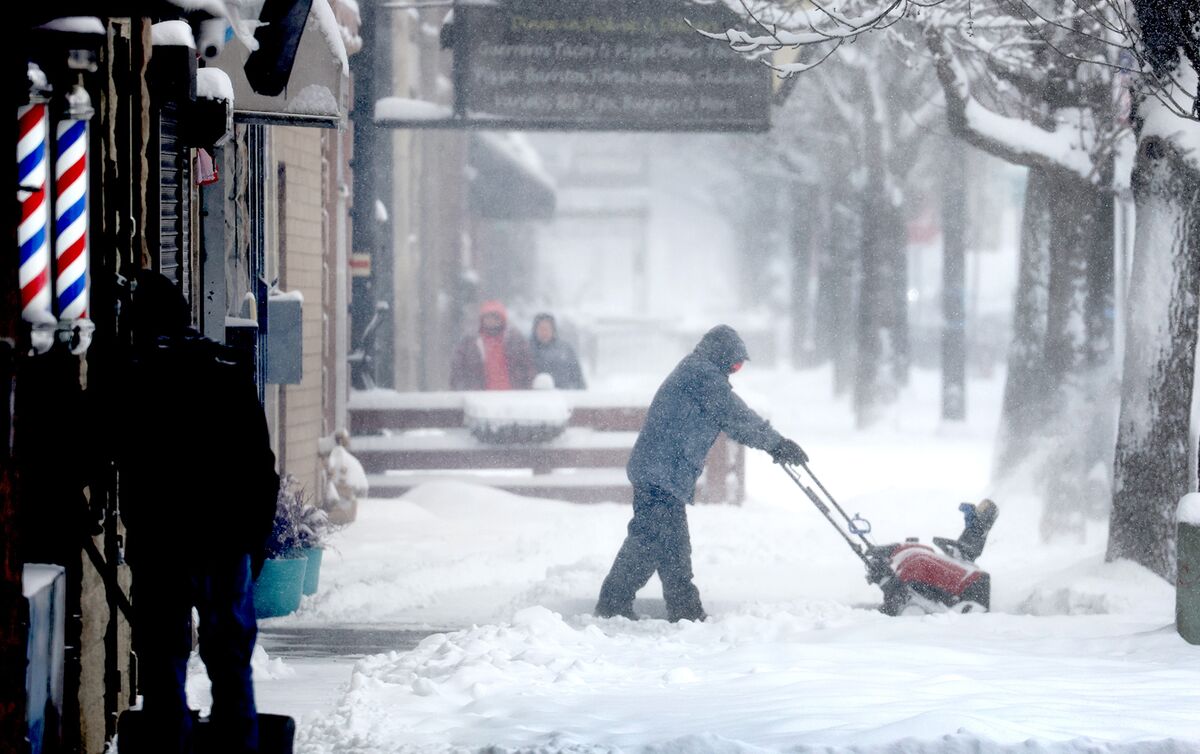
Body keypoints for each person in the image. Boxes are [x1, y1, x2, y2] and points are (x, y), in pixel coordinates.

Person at [118, 270, 279, 754]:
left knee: (163, 665)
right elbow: (260, 470)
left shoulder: (139, 375)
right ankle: (238, 746)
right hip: (223, 543)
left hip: (162, 544)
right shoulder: (227, 369)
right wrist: (253, 546)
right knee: (230, 665)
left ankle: (170, 743)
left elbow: (108, 445)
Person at [595, 325, 807, 623]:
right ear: (721, 356)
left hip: (661, 472)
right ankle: (619, 607)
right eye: (734, 364)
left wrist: (774, 445)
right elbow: (736, 416)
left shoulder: (697, 371)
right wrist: (777, 444)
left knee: (667, 547)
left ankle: (679, 612)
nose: (734, 371)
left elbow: (733, 421)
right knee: (650, 545)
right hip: (660, 473)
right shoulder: (701, 375)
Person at [449, 300, 535, 390]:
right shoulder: (469, 343)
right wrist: (462, 388)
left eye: (496, 318)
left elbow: (527, 367)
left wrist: (525, 389)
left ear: (503, 319)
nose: (492, 321)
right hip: (479, 397)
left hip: (512, 396)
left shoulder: (516, 341)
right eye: (488, 317)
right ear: (482, 319)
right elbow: (457, 370)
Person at [529, 312, 586, 389]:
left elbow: (577, 377)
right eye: (541, 328)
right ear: (535, 330)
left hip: (563, 396)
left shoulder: (565, 350)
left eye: (547, 328)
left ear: (553, 330)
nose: (544, 332)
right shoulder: (526, 350)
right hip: (534, 398)